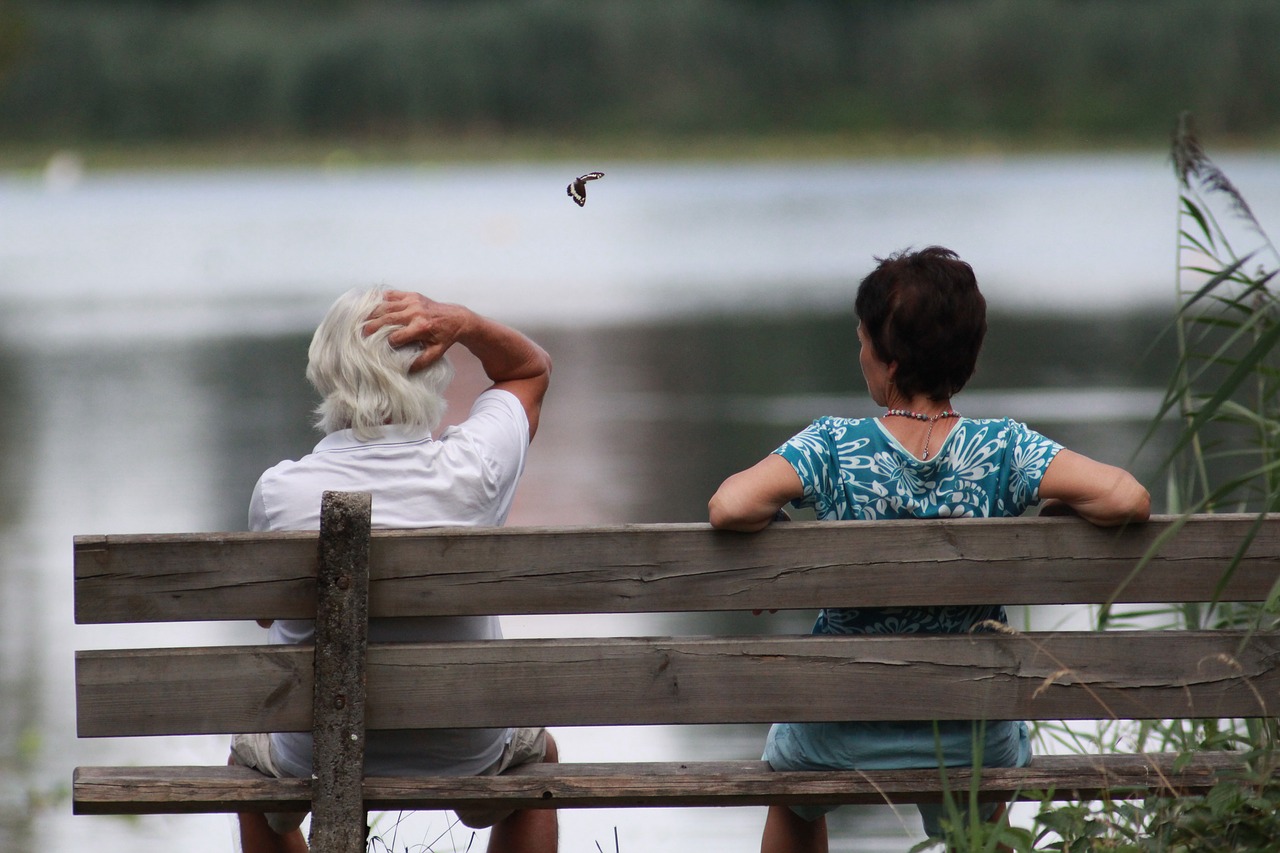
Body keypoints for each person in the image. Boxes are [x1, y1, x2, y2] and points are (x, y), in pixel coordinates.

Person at [707, 247, 1150, 853]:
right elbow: (1126, 498)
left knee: (795, 796)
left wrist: (779, 535)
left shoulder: (833, 445)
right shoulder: (1005, 448)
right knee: (984, 774)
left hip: (839, 727)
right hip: (972, 732)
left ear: (887, 359)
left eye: (862, 339)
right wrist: (1059, 511)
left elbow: (729, 507)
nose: (859, 352)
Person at [229, 287, 557, 853]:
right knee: (539, 756)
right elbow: (530, 370)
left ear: (325, 370)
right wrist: (468, 323)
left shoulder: (280, 492)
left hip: (312, 756)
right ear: (431, 368)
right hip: (467, 750)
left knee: (244, 761)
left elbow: (264, 616)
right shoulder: (474, 471)